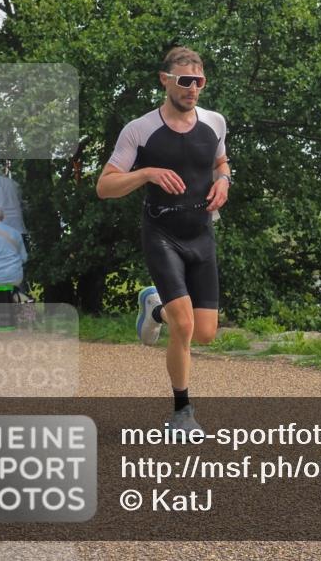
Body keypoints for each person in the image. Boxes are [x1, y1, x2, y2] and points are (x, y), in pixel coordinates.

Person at [96, 46, 230, 434]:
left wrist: (224, 180)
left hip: (201, 234)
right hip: (162, 234)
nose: (192, 88)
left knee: (205, 334)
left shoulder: (215, 122)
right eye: (184, 81)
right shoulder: (139, 130)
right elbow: (104, 186)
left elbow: (221, 162)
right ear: (165, 80)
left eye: (199, 81)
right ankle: (182, 412)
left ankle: (155, 308)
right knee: (184, 327)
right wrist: (147, 173)